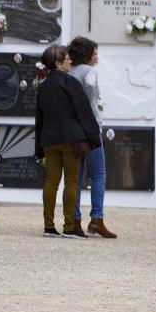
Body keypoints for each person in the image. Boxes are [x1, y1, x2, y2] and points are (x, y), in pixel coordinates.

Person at [35, 45, 102, 238]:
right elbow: (84, 113)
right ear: (57, 63)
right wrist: (93, 138)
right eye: (66, 59)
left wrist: (39, 145)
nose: (70, 61)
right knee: (72, 181)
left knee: (51, 181)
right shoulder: (71, 83)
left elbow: (39, 118)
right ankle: (70, 227)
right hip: (70, 139)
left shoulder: (43, 86)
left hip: (49, 139)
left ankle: (48, 226)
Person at [68, 37, 116, 238]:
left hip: (72, 130)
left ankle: (75, 219)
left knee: (76, 177)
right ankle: (97, 218)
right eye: (94, 53)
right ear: (87, 54)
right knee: (98, 175)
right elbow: (92, 97)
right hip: (90, 129)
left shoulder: (68, 71)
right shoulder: (89, 73)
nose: (96, 57)